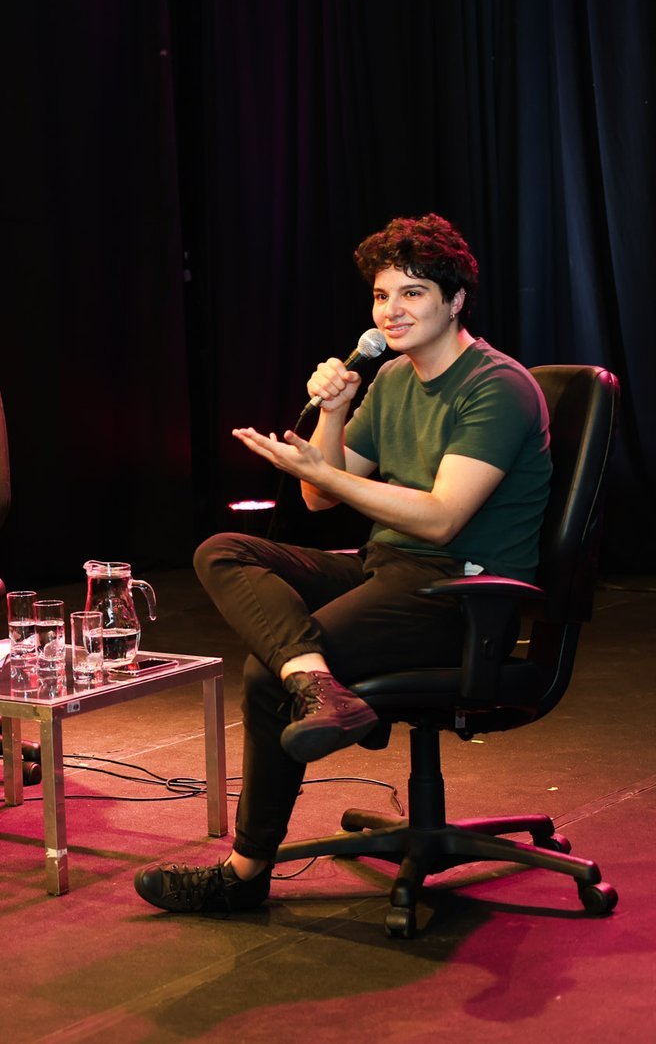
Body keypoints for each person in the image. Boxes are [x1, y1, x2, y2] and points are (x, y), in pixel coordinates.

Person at [134, 213, 552, 913]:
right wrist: (334, 412)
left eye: (413, 293)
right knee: (223, 549)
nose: (392, 310)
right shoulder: (389, 380)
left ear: (455, 302)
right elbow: (316, 496)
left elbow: (444, 515)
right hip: (387, 565)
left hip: (462, 592)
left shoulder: (497, 387)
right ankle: (317, 683)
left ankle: (244, 872)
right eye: (382, 295)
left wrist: (322, 470)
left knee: (268, 670)